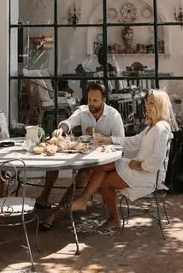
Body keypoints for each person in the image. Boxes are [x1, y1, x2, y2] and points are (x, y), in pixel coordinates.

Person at [70, 89, 176, 230]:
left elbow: (157, 159)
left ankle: (113, 219)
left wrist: (141, 165)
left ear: (160, 106)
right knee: (104, 165)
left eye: (151, 103)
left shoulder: (161, 128)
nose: (146, 106)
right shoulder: (152, 127)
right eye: (147, 102)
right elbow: (133, 141)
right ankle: (83, 200)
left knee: (106, 183)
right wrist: (107, 139)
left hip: (149, 174)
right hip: (138, 167)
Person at [36, 82, 124, 228]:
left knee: (82, 175)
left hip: (107, 161)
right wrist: (61, 129)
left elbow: (121, 142)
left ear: (104, 100)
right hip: (87, 157)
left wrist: (101, 137)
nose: (91, 104)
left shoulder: (114, 115)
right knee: (54, 161)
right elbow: (68, 122)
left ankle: (55, 214)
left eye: (95, 100)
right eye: (89, 100)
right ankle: (45, 198)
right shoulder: (83, 111)